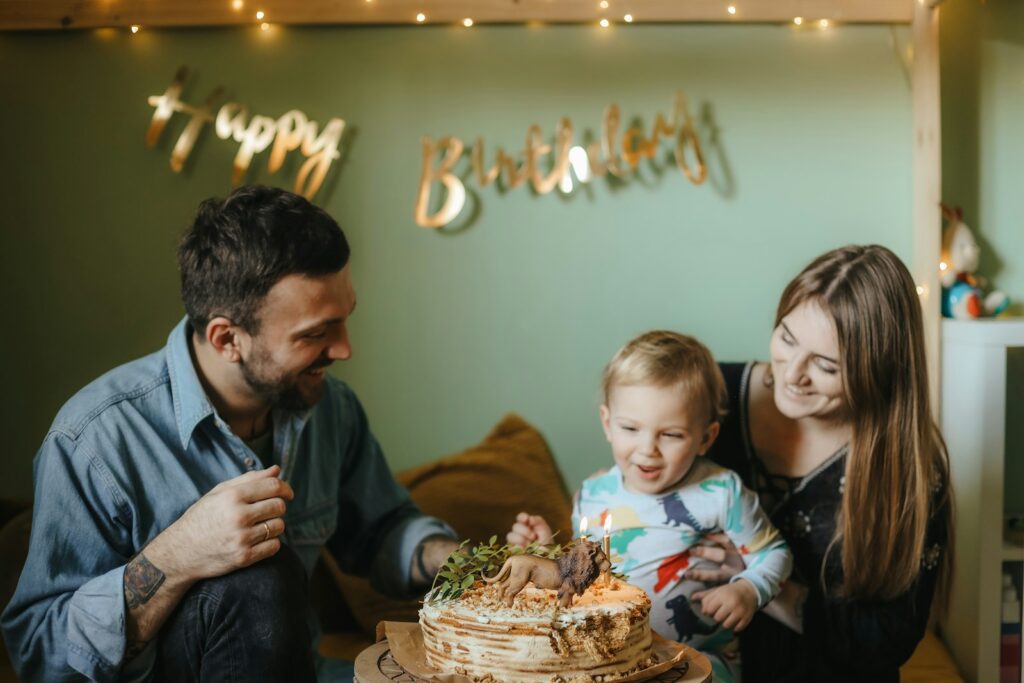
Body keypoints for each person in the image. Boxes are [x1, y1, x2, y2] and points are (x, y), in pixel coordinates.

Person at [1, 185, 459, 682]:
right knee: (257, 578)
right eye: (315, 334)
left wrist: (466, 563)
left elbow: (380, 531)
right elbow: (39, 653)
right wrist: (178, 555)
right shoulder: (94, 440)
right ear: (227, 339)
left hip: (304, 671)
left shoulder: (332, 409)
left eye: (345, 320)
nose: (345, 350)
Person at [691, 244, 954, 682]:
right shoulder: (709, 396)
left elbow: (886, 641)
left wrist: (762, 583)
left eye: (827, 365)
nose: (792, 374)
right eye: (787, 338)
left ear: (878, 371)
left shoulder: (910, 468)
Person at [508, 330, 793, 682]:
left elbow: (775, 554)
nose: (648, 449)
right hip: (612, 661)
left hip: (697, 661)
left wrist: (748, 589)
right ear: (608, 423)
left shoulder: (721, 492)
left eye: (670, 434)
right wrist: (545, 551)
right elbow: (585, 575)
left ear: (706, 437)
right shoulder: (593, 493)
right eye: (631, 428)